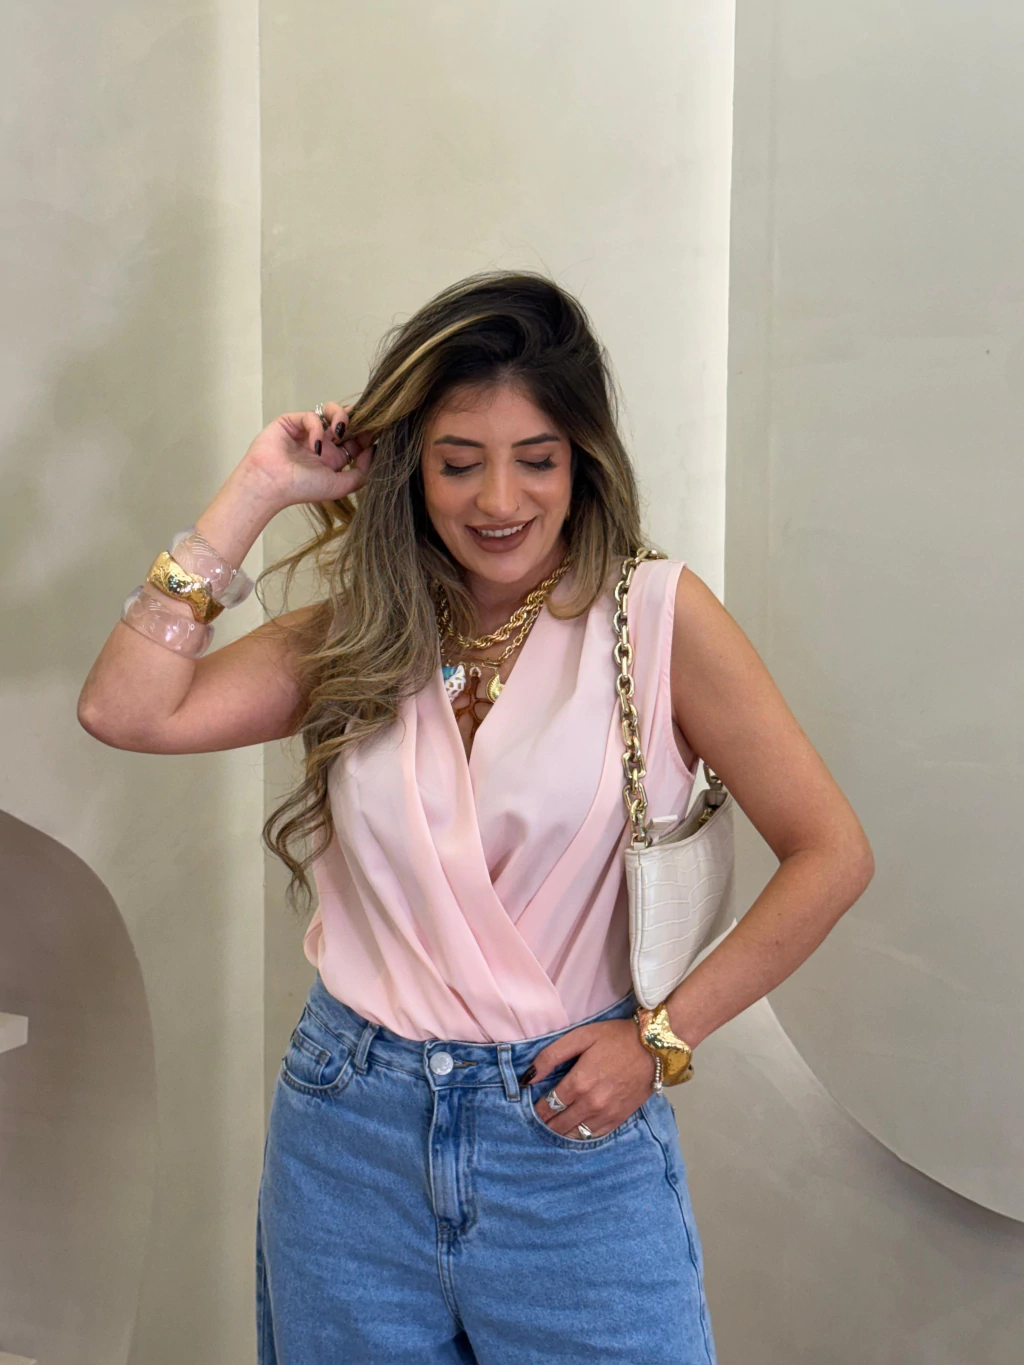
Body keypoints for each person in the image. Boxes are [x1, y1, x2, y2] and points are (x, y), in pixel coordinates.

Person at [78, 270, 874, 1364]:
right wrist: (259, 488)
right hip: (347, 1133)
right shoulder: (366, 629)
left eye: (535, 459)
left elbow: (831, 853)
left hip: (565, 1132)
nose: (499, 500)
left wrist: (662, 1040)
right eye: (459, 462)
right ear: (413, 468)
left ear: (582, 461)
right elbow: (126, 711)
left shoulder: (656, 617)